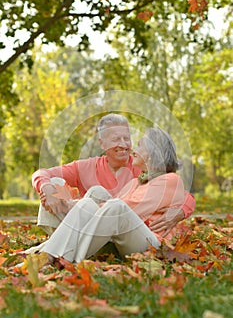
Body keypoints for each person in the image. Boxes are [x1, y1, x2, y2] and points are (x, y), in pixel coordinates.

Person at [32, 113, 195, 238]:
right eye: (116, 139)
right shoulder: (85, 167)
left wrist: (180, 211)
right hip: (88, 227)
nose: (124, 145)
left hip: (120, 234)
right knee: (53, 183)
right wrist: (46, 188)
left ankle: (58, 248)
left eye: (127, 138)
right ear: (102, 143)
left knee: (98, 194)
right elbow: (42, 173)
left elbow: (182, 194)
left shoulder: (142, 168)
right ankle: (57, 243)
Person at [39, 127, 187, 264]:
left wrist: (69, 205)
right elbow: (109, 210)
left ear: (153, 152)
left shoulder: (170, 180)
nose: (134, 149)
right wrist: (75, 204)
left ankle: (61, 257)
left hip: (153, 246)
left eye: (141, 145)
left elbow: (130, 209)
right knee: (90, 201)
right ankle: (50, 253)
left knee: (116, 207)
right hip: (125, 241)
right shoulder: (136, 182)